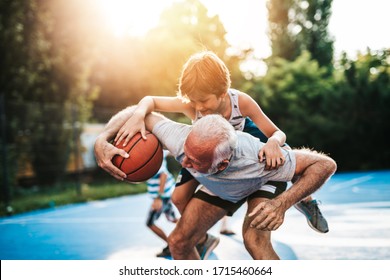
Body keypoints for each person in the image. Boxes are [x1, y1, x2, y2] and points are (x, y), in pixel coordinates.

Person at [113, 50, 329, 234]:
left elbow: (277, 132)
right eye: (193, 100)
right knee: (178, 197)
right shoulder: (193, 104)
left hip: (240, 144)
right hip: (208, 153)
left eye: (204, 100)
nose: (198, 107)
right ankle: (202, 238)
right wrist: (138, 115)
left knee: (284, 154)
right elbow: (150, 100)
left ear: (223, 92)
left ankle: (307, 201)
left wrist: (273, 142)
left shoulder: (240, 101)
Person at [94, 108, 337, 259]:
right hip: (221, 187)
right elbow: (139, 112)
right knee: (179, 242)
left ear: (221, 164)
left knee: (254, 242)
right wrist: (102, 138)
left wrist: (281, 204)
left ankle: (306, 202)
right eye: (185, 153)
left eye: (194, 160)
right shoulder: (179, 137)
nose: (184, 162)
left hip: (262, 179)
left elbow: (325, 165)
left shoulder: (258, 156)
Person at [145, 150, 178, 258]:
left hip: (162, 196)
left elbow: (163, 174)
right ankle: (198, 237)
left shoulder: (150, 152)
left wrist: (159, 197)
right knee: (173, 219)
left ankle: (172, 245)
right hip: (166, 193)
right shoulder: (154, 149)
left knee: (150, 223)